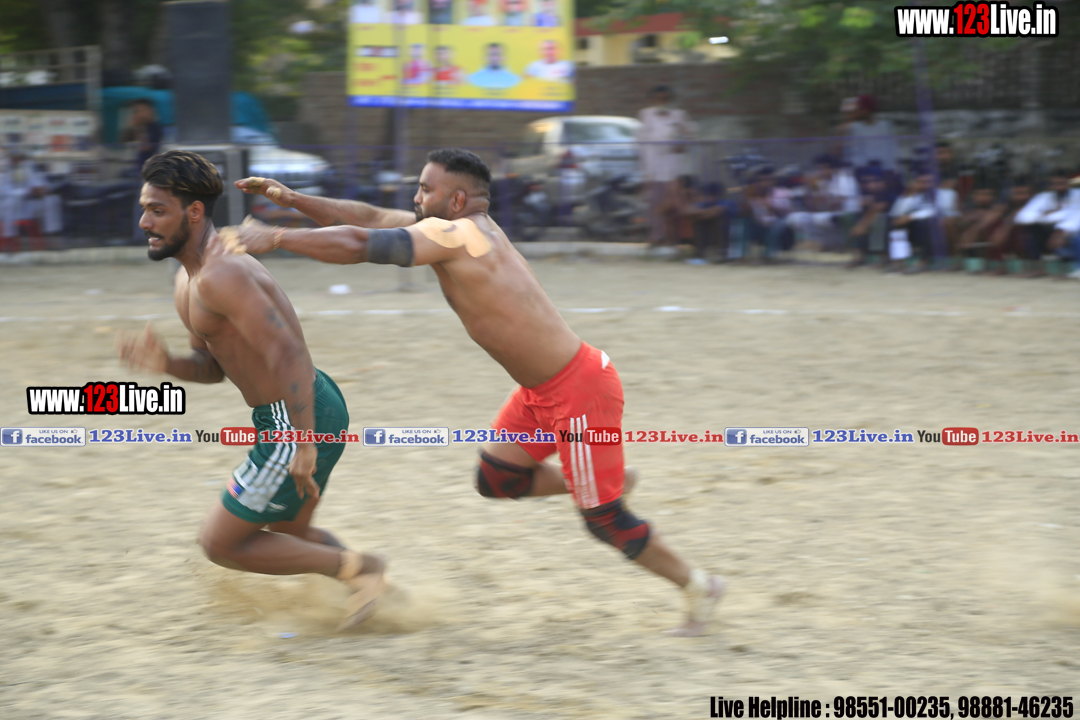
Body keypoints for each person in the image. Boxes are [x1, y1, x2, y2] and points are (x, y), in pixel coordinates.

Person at [227, 149, 726, 636]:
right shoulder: (463, 229)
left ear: (458, 200)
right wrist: (294, 199)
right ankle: (599, 480)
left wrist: (277, 237)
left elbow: (361, 243)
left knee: (603, 520)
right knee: (497, 478)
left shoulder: (457, 234)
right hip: (541, 390)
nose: (416, 197)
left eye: (426, 189)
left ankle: (699, 586)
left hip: (579, 391)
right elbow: (372, 217)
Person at [115, 151, 385, 631]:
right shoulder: (188, 279)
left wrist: (302, 441)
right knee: (288, 534)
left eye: (157, 210)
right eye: (144, 209)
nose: (144, 222)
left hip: (292, 416)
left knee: (220, 543)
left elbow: (289, 354)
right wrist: (167, 364)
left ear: (193, 212)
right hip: (308, 404)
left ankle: (362, 570)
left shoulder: (223, 274)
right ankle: (377, 588)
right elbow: (212, 369)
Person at [637, 86, 692, 246]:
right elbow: (641, 142)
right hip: (653, 165)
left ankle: (673, 239)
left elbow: (689, 136)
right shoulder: (646, 114)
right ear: (653, 99)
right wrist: (646, 171)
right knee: (655, 201)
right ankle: (656, 236)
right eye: (659, 99)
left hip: (673, 165)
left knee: (674, 202)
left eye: (665, 98)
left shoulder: (679, 115)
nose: (662, 102)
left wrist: (682, 144)